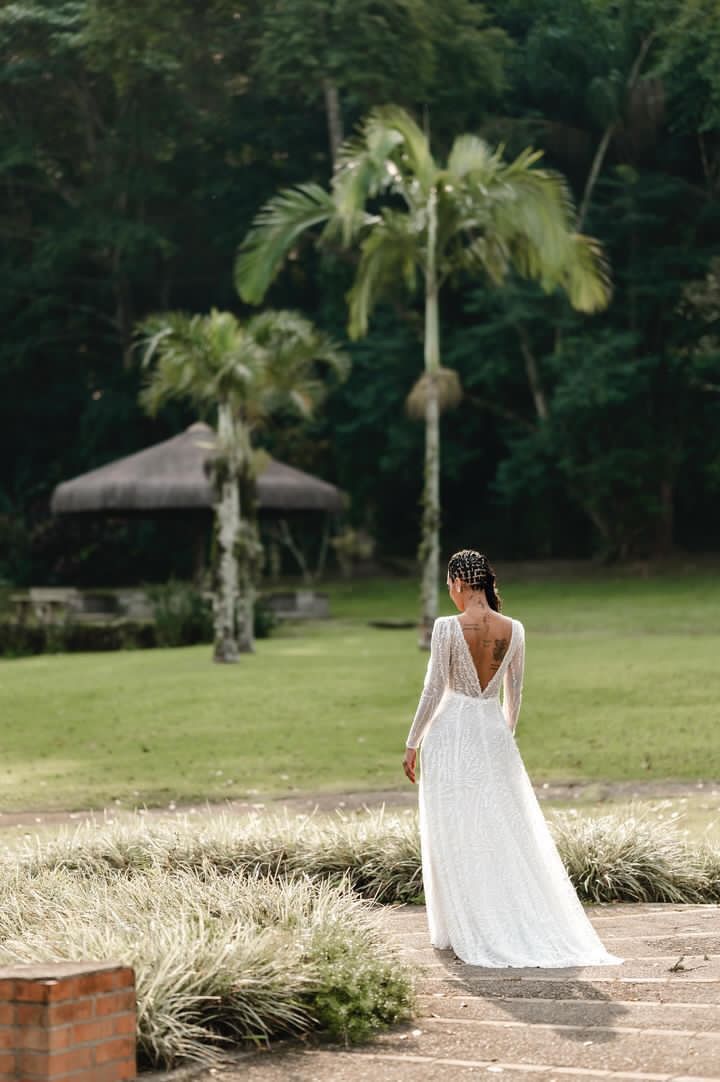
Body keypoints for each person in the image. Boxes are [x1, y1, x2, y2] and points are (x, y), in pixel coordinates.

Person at [402, 549, 623, 968]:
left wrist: (412, 742)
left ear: (460, 584)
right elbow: (514, 695)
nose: (450, 593)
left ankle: (461, 925)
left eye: (449, 585)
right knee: (498, 827)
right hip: (492, 731)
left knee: (456, 827)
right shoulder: (515, 629)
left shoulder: (448, 628)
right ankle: (495, 914)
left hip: (450, 734)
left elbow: (433, 690)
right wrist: (502, 739)